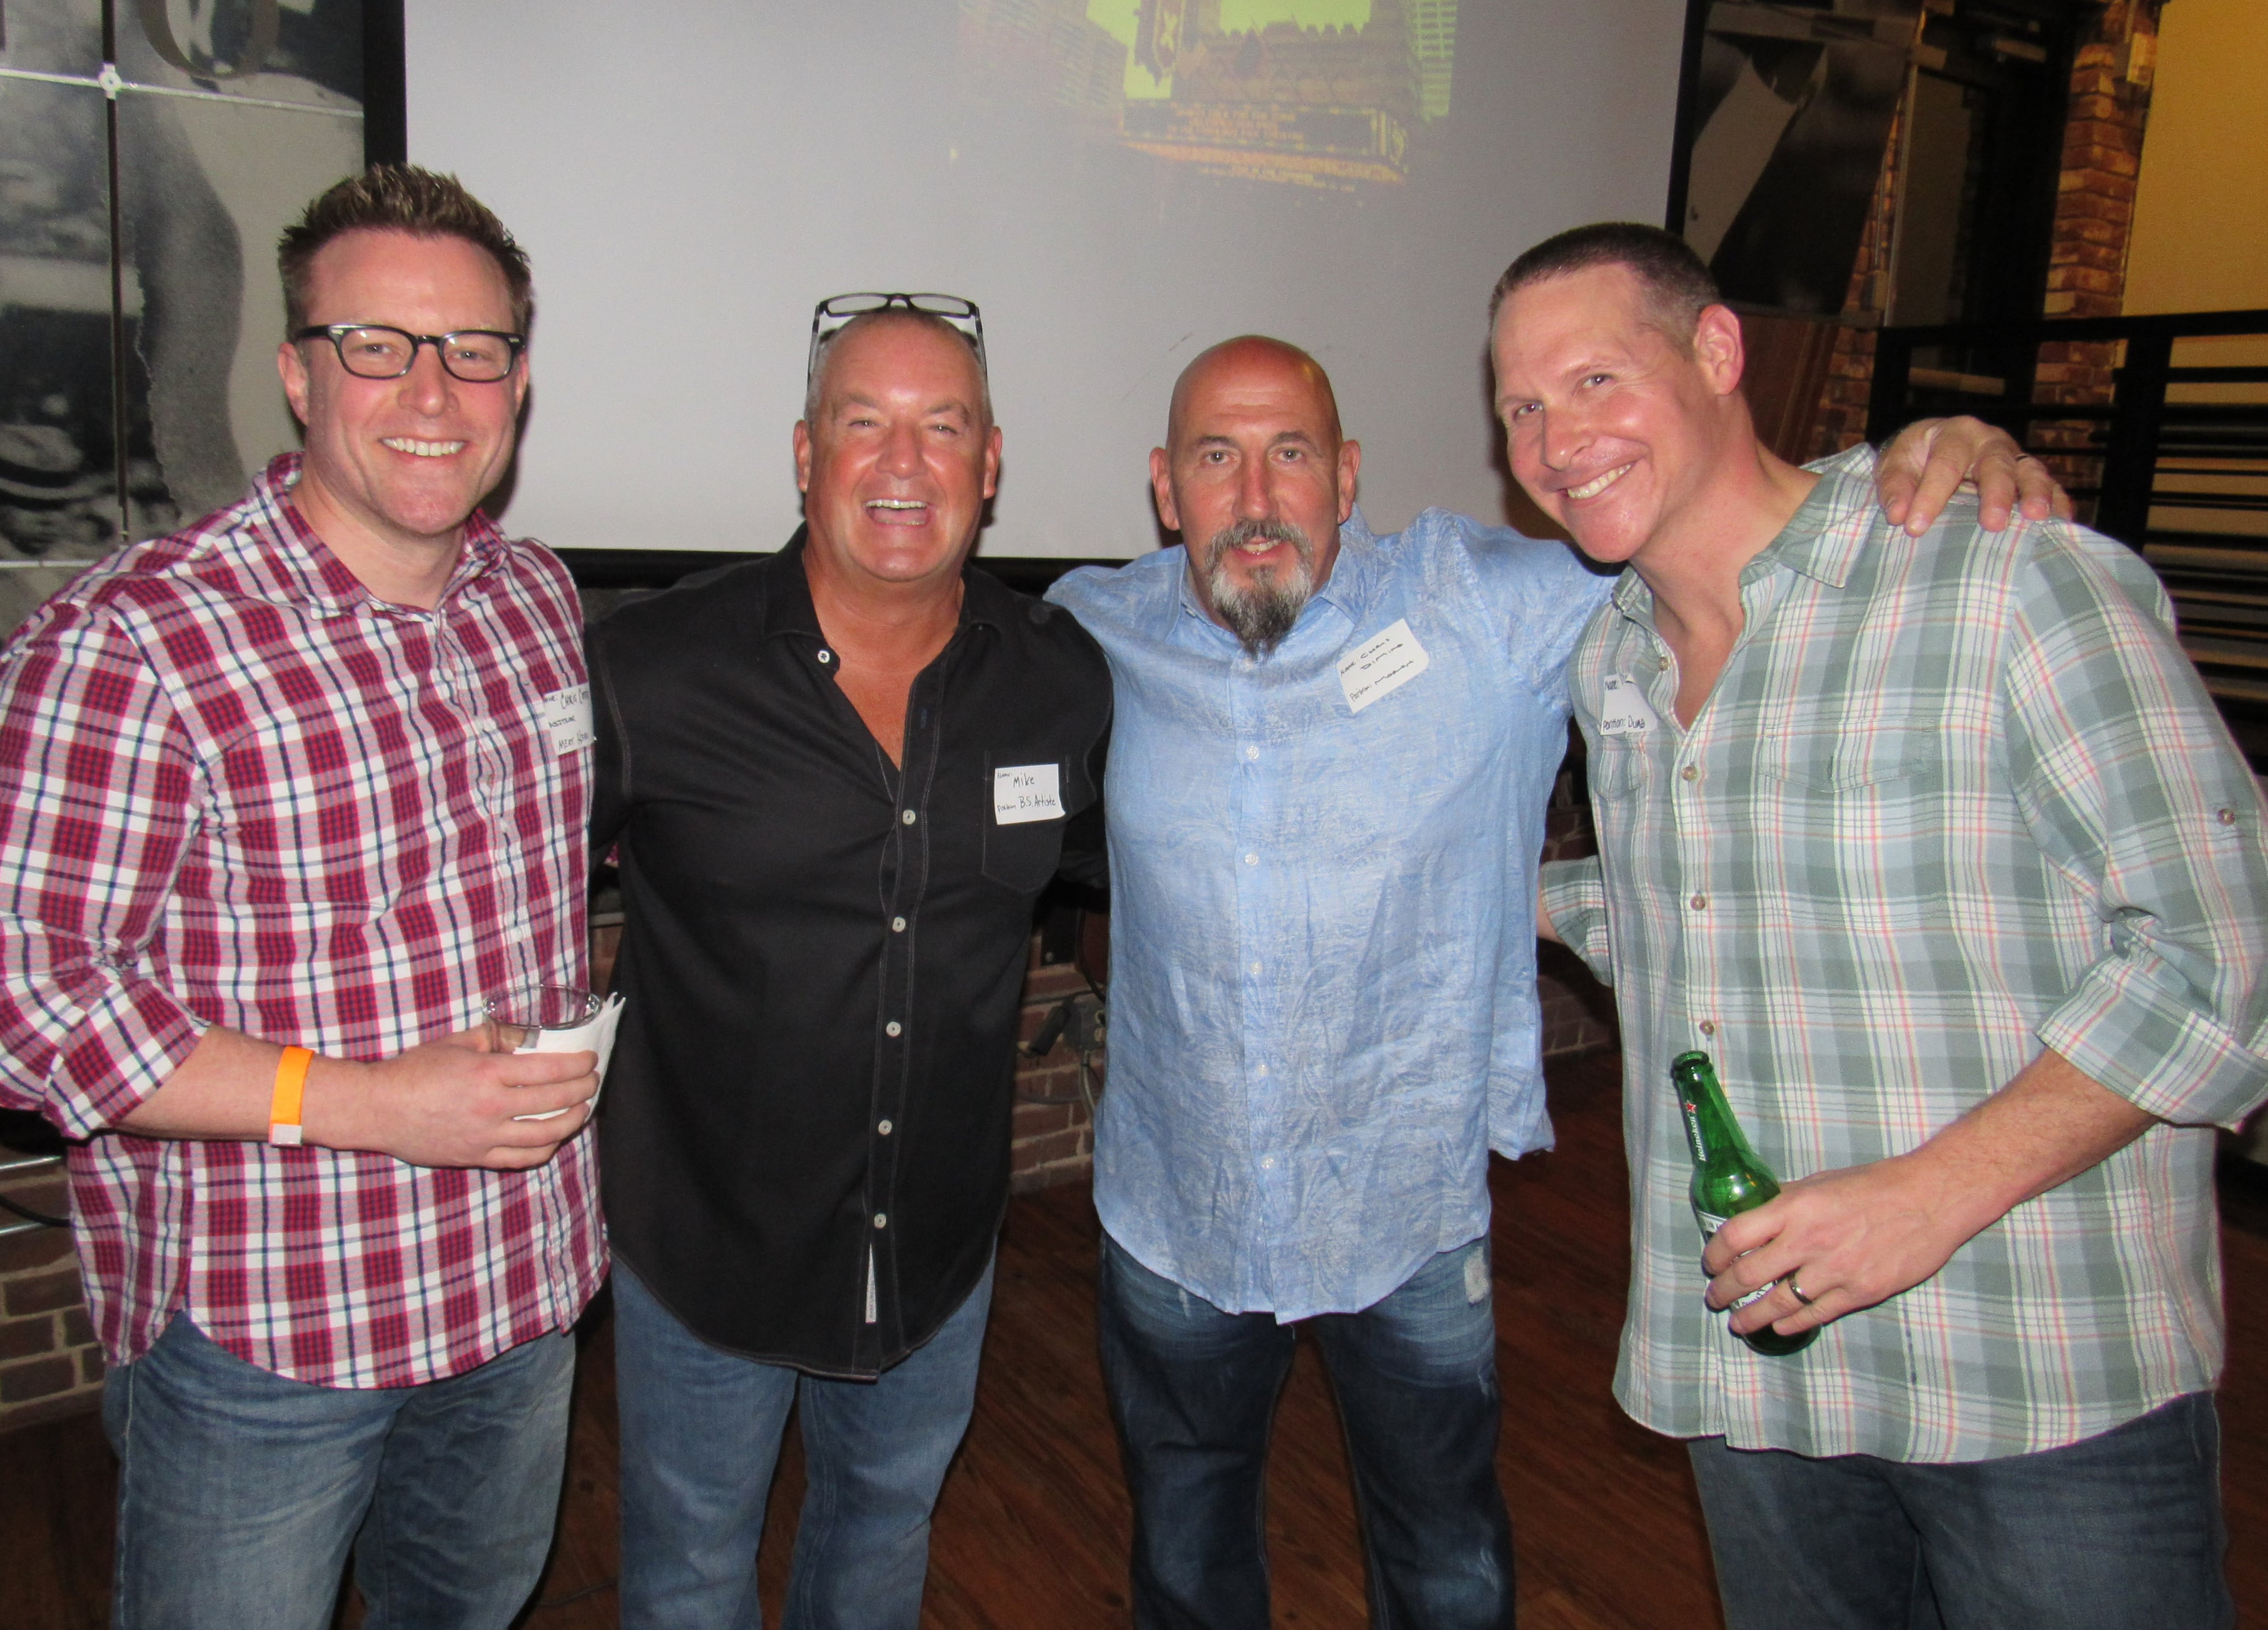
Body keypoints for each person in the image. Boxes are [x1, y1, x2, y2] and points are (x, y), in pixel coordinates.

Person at [1045, 334, 2063, 1629]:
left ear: (1347, 476)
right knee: (1186, 1554)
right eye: (1217, 457)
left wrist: (1909, 458)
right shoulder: (1090, 628)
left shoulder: (1484, 603)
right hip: (1173, 1212)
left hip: (1405, 1205)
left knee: (1448, 1557)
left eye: (1291, 453)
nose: (1256, 496)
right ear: (1163, 487)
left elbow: (1721, 533)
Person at [1504, 222, 2268, 1630]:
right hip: (1761, 1367)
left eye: (1597, 380)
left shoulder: (2001, 577)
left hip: (2036, 1372)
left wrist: (1928, 1196)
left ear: (1719, 353)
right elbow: (1692, 908)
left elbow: (2225, 956)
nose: (1558, 438)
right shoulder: (1609, 662)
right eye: (1523, 408)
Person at [0, 165, 604, 1630]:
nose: (432, 392)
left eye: (472, 350)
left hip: (517, 1290)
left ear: (519, 381)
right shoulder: (135, 642)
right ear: (300, 376)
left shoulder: (534, 601)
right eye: (378, 345)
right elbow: (13, 1010)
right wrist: (373, 1102)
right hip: (271, 1334)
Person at [587, 294, 1111, 1630]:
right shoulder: (649, 671)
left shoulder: (1056, 678)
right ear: (804, 453)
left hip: (935, 1247)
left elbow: (1123, 890)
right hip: (707, 1249)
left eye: (943, 428)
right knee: (695, 1563)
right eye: (862, 423)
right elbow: (489, 901)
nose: (902, 463)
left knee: (881, 1534)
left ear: (991, 466)